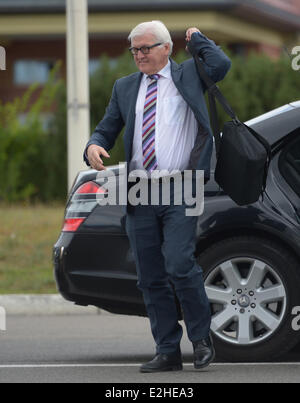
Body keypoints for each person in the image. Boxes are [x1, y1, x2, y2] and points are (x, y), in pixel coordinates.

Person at [84, 21, 231, 373]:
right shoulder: (125, 87)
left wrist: (198, 39)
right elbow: (108, 126)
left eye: (145, 48)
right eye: (134, 49)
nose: (138, 55)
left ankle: (200, 339)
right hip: (140, 188)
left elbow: (222, 65)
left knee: (180, 263)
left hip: (182, 185)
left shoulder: (190, 76)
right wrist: (94, 144)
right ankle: (167, 350)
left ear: (167, 48)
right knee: (149, 275)